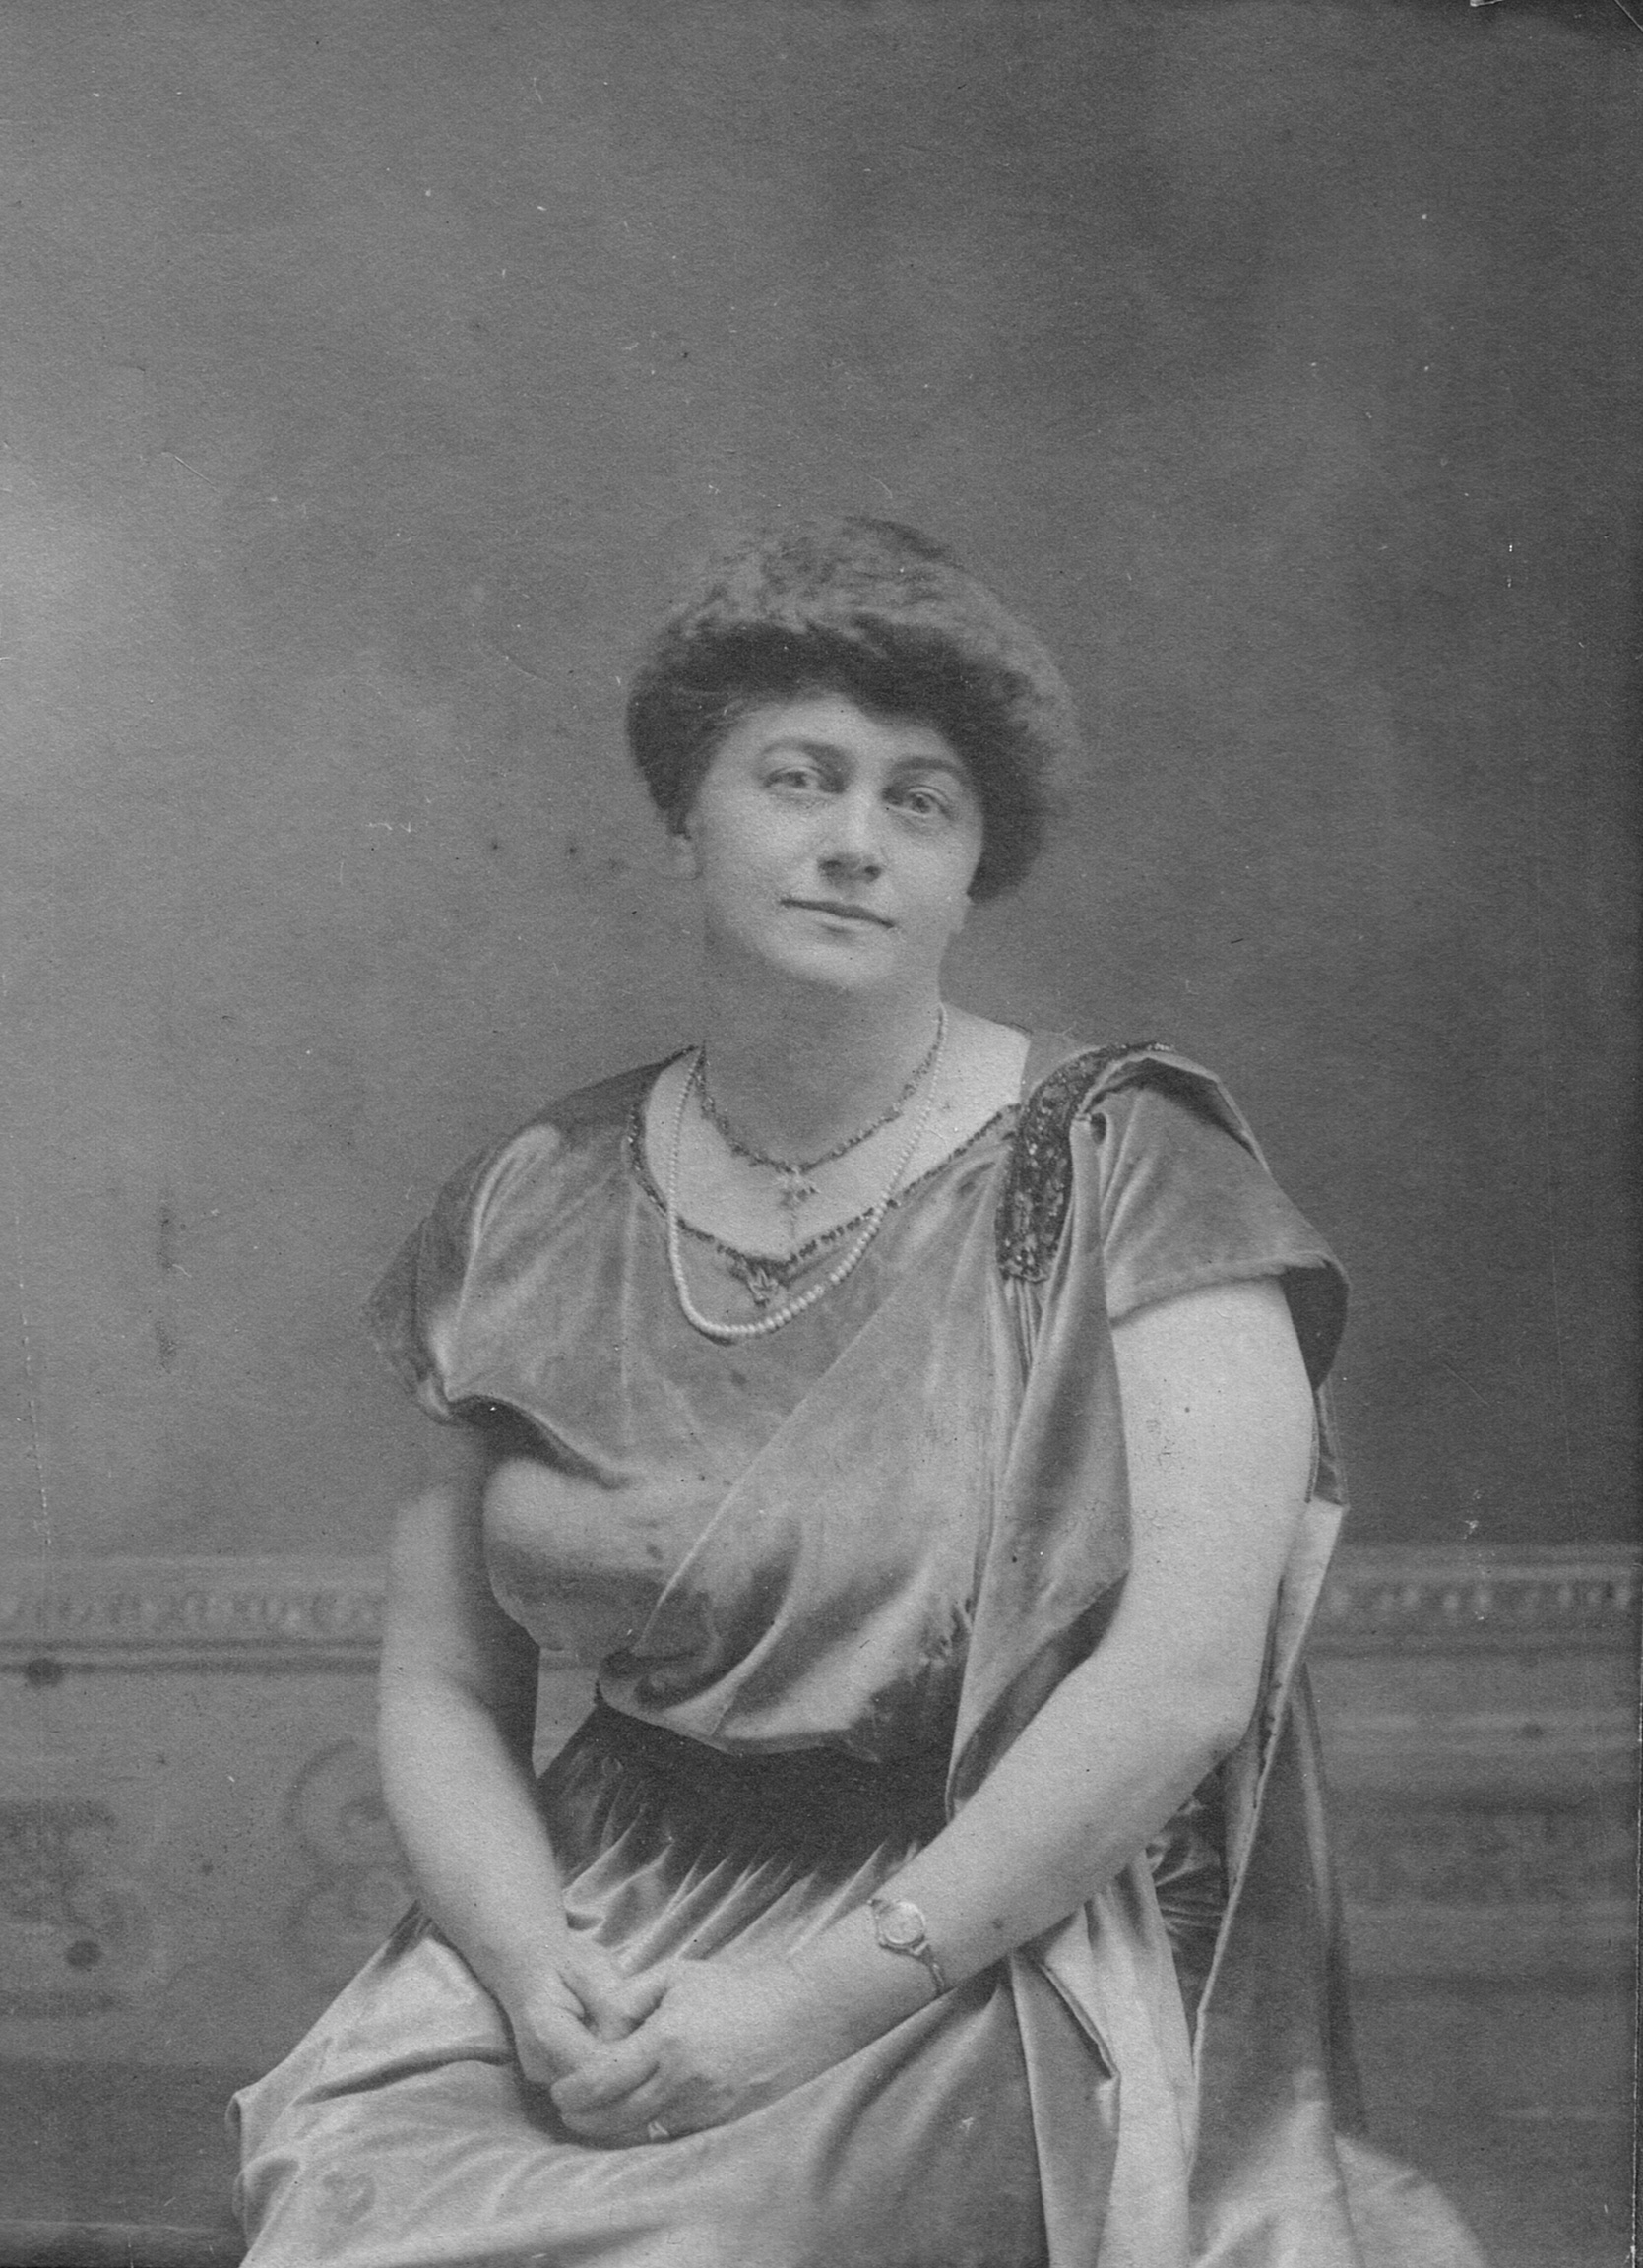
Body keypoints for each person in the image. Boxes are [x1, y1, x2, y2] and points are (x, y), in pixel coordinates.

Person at [231, 518, 1486, 2268]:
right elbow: (444, 1680)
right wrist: (524, 1968)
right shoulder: (530, 1195)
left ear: (972, 871)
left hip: (977, 1925)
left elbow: (1184, 1685)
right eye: (798, 778)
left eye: (921, 803)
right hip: (591, 1919)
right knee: (347, 2188)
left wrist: (803, 2007)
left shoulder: (1136, 1168)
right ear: (686, 817)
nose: (852, 843)